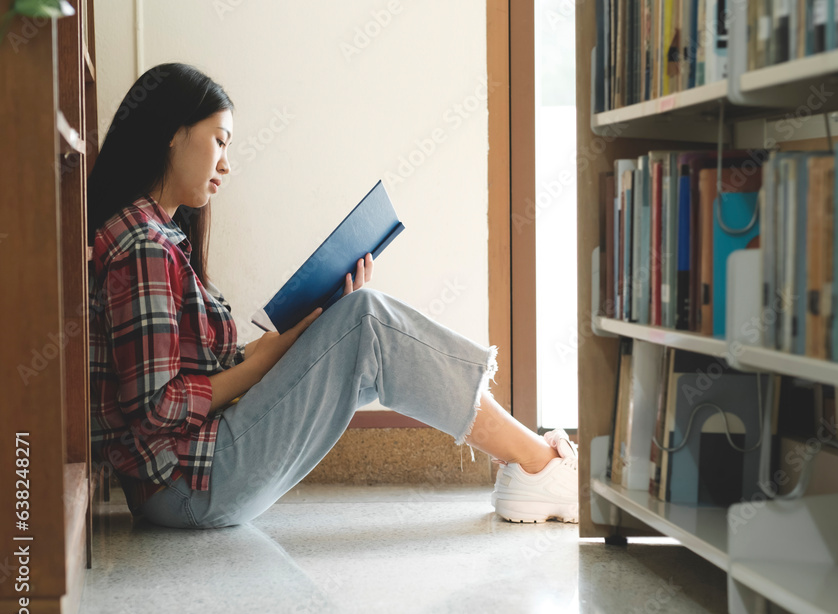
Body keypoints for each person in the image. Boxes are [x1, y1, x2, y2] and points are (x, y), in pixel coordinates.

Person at [86, 63, 578, 529]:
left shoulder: (154, 237)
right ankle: (538, 465)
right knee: (368, 320)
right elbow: (156, 408)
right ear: (174, 132)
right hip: (186, 485)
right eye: (219, 141)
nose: (226, 165)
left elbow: (199, 374)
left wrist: (312, 327)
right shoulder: (143, 246)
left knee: (355, 321)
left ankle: (526, 464)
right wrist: (264, 362)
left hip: (185, 480)